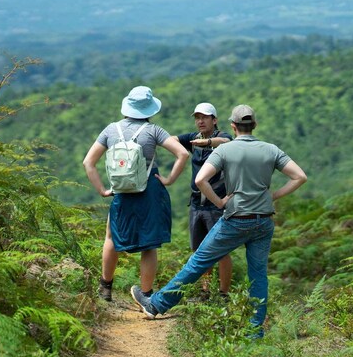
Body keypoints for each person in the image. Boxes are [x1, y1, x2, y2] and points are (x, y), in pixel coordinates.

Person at [131, 104, 307, 337]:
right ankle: (254, 332)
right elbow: (299, 177)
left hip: (235, 218)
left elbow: (202, 179)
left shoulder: (225, 151)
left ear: (233, 126)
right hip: (263, 220)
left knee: (198, 262)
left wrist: (220, 202)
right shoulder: (271, 150)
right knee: (258, 275)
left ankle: (156, 304)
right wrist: (272, 196)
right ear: (254, 125)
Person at [83, 86, 189, 302]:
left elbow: (88, 162)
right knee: (149, 244)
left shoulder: (110, 130)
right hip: (149, 189)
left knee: (111, 237)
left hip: (121, 189)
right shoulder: (154, 131)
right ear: (149, 110)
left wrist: (103, 190)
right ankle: (147, 294)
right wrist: (169, 180)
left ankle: (105, 288)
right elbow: (183, 153)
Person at [176, 102, 233, 297]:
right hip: (196, 204)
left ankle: (224, 294)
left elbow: (228, 143)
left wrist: (207, 143)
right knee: (200, 250)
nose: (200, 121)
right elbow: (170, 140)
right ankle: (205, 291)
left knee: (222, 250)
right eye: (197, 118)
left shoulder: (222, 137)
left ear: (214, 120)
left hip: (217, 204)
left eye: (205, 117)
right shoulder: (193, 139)